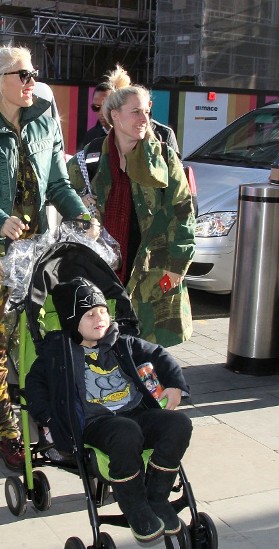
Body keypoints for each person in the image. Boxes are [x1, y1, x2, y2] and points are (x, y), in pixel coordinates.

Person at [0, 32, 89, 471]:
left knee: (11, 338)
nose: (31, 81)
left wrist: (81, 215)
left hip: (30, 250)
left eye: (33, 74)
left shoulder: (45, 121)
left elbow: (58, 184)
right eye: (22, 74)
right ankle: (9, 434)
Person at [25, 277, 193, 542]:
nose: (100, 318)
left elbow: (159, 354)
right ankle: (134, 505)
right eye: (90, 314)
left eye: (103, 311)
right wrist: (49, 416)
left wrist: (174, 384)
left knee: (178, 424)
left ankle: (156, 497)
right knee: (125, 431)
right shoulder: (58, 352)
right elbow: (34, 384)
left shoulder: (122, 343)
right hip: (95, 421)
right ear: (71, 321)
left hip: (136, 412)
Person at [67, 65, 195, 348]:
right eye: (136, 111)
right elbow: (65, 204)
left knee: (148, 347)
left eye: (146, 111)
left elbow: (183, 213)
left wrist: (177, 265)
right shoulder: (88, 160)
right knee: (105, 345)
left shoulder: (164, 159)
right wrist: (81, 208)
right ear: (115, 115)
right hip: (103, 271)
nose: (144, 119)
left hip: (152, 270)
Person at [78, 77, 180, 154]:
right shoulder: (92, 138)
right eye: (96, 107)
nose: (101, 112)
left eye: (145, 111)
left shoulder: (164, 135)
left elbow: (176, 173)